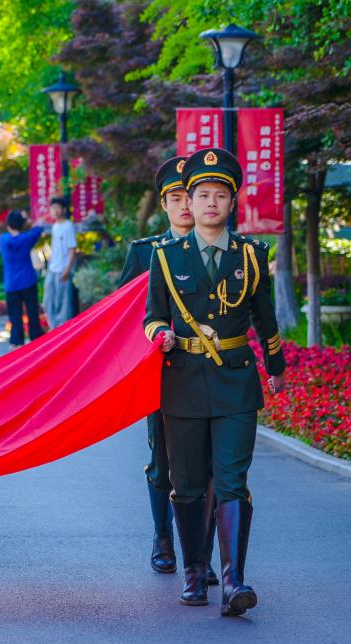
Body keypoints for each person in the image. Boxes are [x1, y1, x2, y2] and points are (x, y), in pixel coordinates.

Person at [143, 148, 287, 616]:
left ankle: (233, 581)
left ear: (231, 203)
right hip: (182, 382)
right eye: (202, 195)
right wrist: (160, 335)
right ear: (190, 201)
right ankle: (193, 572)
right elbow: (152, 316)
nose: (210, 203)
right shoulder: (166, 257)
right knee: (186, 484)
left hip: (235, 383)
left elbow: (265, 319)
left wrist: (277, 365)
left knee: (232, 481)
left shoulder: (251, 255)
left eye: (220, 195)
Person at [119, 157, 221, 583]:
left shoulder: (222, 249)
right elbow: (125, 317)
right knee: (163, 463)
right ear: (164, 204)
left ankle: (201, 555)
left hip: (211, 374)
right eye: (175, 198)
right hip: (162, 375)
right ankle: (163, 538)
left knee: (209, 467)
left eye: (188, 197)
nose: (184, 206)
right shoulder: (145, 253)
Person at [0, 211, 44, 349]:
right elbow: (39, 228)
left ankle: (16, 341)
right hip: (28, 280)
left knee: (15, 315)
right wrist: (28, 223)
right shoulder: (27, 238)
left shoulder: (3, 239)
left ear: (8, 224)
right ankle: (36, 339)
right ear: (22, 224)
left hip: (11, 283)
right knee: (32, 312)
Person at [42, 197, 76, 329]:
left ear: (64, 209)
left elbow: (72, 249)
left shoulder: (68, 226)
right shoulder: (55, 226)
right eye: (53, 208)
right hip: (52, 268)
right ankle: (54, 328)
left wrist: (67, 269)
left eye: (57, 208)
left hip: (63, 269)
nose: (55, 211)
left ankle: (63, 330)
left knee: (63, 303)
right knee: (48, 301)